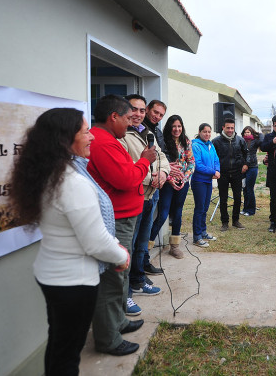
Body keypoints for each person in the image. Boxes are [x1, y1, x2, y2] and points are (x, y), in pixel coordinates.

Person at [9, 108, 131, 373]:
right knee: (67, 355)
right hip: (73, 282)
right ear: (65, 139)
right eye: (86, 132)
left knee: (59, 344)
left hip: (51, 274)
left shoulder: (47, 174)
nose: (92, 138)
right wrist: (122, 256)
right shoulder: (73, 183)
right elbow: (96, 242)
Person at [87, 94, 156, 356]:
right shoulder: (103, 143)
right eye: (128, 117)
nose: (130, 123)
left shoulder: (111, 140)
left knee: (122, 274)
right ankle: (108, 339)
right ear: (113, 116)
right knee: (113, 278)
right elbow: (126, 179)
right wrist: (145, 161)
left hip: (127, 215)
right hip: (118, 219)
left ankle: (118, 322)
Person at [119, 95, 170, 313]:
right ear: (124, 111)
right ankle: (126, 293)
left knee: (142, 243)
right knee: (128, 247)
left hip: (151, 195)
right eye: (134, 110)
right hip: (134, 196)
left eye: (141, 110)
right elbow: (129, 166)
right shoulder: (121, 136)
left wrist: (164, 174)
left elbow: (161, 158)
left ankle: (138, 280)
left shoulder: (148, 133)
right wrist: (153, 178)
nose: (138, 114)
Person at [149, 114, 195, 258]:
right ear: (169, 127)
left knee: (178, 213)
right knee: (163, 214)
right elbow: (159, 163)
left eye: (179, 126)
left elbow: (191, 162)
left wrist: (184, 178)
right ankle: (147, 246)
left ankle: (174, 246)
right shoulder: (163, 142)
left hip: (182, 183)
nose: (176, 129)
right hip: (167, 182)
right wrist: (169, 178)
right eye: (174, 126)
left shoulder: (186, 141)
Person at [141, 100, 168, 259]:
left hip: (156, 186)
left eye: (161, 115)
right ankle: (140, 266)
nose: (157, 117)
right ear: (148, 109)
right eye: (155, 112)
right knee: (139, 231)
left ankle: (144, 260)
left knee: (147, 225)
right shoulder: (136, 130)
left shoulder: (157, 132)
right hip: (141, 186)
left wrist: (163, 172)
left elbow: (161, 157)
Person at [212, 118, 248, 231]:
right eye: (228, 128)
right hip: (223, 174)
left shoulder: (240, 140)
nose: (230, 130)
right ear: (223, 127)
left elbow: (247, 154)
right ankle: (225, 222)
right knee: (223, 199)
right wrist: (215, 170)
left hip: (237, 173)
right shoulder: (216, 141)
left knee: (238, 198)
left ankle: (236, 221)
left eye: (232, 128)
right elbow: (213, 157)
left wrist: (246, 164)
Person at [191, 123, 221, 246]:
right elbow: (197, 165)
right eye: (205, 132)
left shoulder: (210, 145)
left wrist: (217, 170)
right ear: (199, 132)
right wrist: (213, 172)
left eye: (209, 132)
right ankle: (197, 236)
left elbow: (216, 159)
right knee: (199, 208)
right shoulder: (195, 145)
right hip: (199, 181)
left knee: (205, 208)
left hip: (208, 181)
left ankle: (203, 232)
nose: (207, 134)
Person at [241, 126, 262, 216]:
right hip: (243, 168)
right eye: (245, 132)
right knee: (244, 189)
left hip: (252, 167)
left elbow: (261, 138)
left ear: (252, 133)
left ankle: (251, 210)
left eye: (248, 132)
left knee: (250, 189)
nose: (246, 134)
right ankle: (245, 208)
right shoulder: (242, 141)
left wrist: (258, 133)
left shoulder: (255, 140)